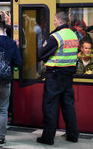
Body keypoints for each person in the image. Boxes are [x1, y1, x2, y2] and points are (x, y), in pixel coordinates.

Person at [37, 11, 79, 145]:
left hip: (54, 76)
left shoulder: (56, 36)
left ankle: (48, 138)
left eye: (55, 20)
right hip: (68, 76)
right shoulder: (73, 35)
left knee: (50, 107)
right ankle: (73, 135)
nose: (54, 22)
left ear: (60, 20)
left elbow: (41, 54)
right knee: (68, 106)